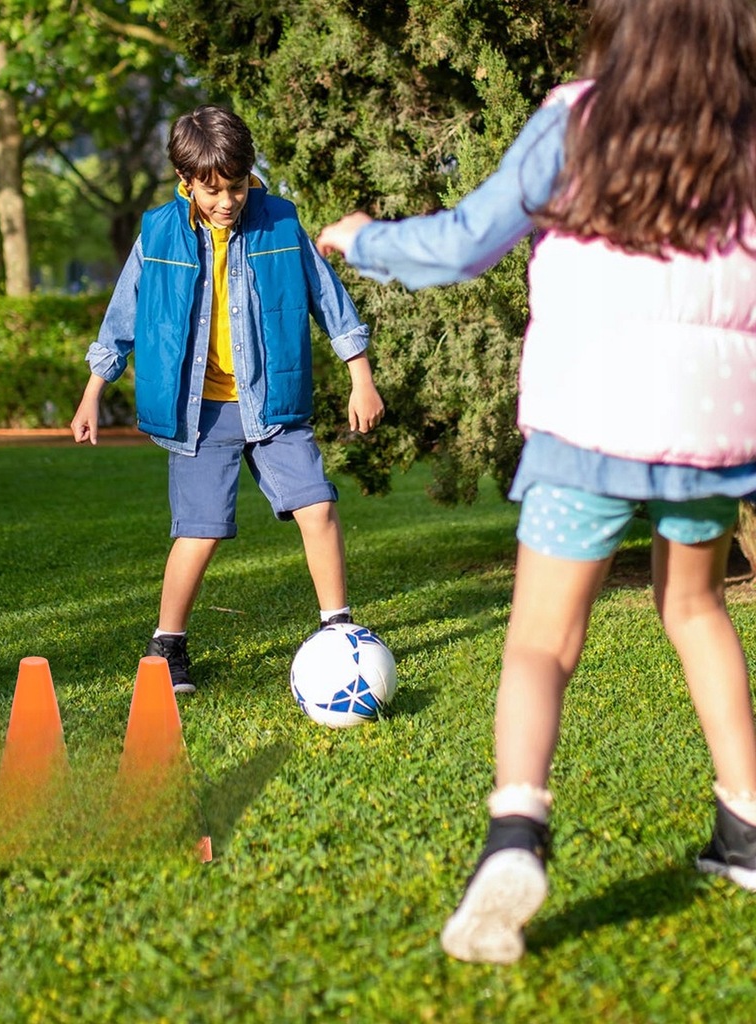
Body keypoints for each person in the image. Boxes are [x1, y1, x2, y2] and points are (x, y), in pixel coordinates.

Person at [317, 0, 756, 965]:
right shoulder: (744, 135)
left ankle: (516, 834)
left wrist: (363, 237)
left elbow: (464, 242)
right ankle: (749, 830)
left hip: (588, 414)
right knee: (695, 608)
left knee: (542, 642)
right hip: (712, 424)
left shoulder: (575, 118)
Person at [72, 105, 384, 695]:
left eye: (236, 187)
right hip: (200, 412)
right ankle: (168, 644)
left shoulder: (280, 223)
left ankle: (338, 630)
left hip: (273, 401)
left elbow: (329, 299)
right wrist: (94, 391)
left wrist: (360, 375)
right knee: (200, 530)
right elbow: (122, 317)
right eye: (212, 190)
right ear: (185, 181)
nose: (227, 201)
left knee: (317, 507)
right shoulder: (158, 233)